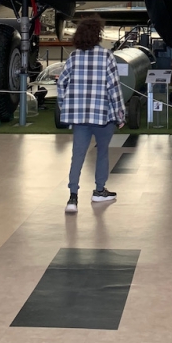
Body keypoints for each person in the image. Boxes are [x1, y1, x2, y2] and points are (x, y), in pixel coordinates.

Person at [56, 16, 125, 214]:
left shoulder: (74, 57)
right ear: (97, 35)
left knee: (77, 155)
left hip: (79, 117)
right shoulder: (106, 57)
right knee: (102, 152)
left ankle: (72, 197)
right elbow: (114, 89)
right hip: (102, 116)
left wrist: (65, 106)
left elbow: (61, 83)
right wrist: (120, 115)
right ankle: (99, 190)